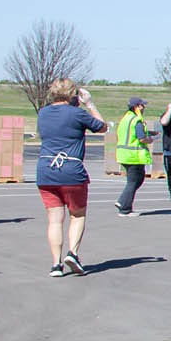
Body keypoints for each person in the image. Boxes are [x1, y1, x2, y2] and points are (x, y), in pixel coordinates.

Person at [36, 78, 107, 277]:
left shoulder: (43, 113)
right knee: (77, 214)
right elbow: (102, 127)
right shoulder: (77, 114)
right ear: (72, 94)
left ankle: (55, 264)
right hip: (71, 170)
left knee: (55, 220)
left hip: (46, 170)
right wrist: (89, 103)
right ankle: (73, 253)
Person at [113, 97, 157, 217]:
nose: (144, 108)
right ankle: (124, 206)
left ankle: (125, 203)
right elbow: (141, 138)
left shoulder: (126, 119)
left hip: (124, 154)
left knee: (136, 180)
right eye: (142, 106)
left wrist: (150, 133)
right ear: (136, 107)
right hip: (134, 155)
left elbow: (130, 134)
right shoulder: (137, 120)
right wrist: (150, 139)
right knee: (134, 181)